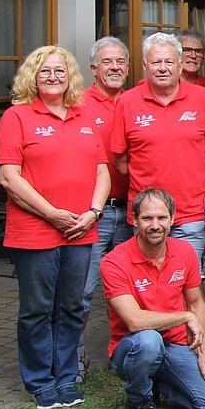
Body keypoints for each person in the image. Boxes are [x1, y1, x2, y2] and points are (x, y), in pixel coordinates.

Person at [0, 45, 110, 409]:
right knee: (37, 309)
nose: (52, 77)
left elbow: (101, 170)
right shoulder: (17, 117)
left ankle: (66, 377)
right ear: (32, 76)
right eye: (44, 71)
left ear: (70, 77)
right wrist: (52, 213)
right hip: (35, 234)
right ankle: (40, 381)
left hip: (81, 229)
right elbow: (9, 177)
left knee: (72, 307)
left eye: (59, 71)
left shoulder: (85, 116)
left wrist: (93, 213)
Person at [102, 188, 205, 409]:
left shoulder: (184, 252)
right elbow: (134, 321)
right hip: (132, 346)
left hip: (175, 345)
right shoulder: (115, 261)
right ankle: (139, 399)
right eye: (147, 218)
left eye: (161, 218)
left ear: (172, 219)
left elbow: (196, 303)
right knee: (149, 341)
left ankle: (157, 384)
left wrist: (204, 351)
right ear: (134, 220)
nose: (155, 225)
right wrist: (183, 317)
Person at [111, 32, 205, 260]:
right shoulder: (127, 102)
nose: (162, 68)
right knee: (146, 283)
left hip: (190, 215)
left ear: (179, 66)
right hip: (145, 215)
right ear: (145, 66)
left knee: (187, 284)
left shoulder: (202, 98)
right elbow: (120, 161)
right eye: (156, 62)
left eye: (168, 62)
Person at [79, 36, 133, 380]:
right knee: (82, 290)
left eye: (121, 62)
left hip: (132, 212)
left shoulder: (137, 101)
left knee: (129, 288)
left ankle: (126, 353)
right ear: (94, 68)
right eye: (107, 62)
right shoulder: (79, 103)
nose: (115, 68)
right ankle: (74, 357)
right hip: (94, 212)